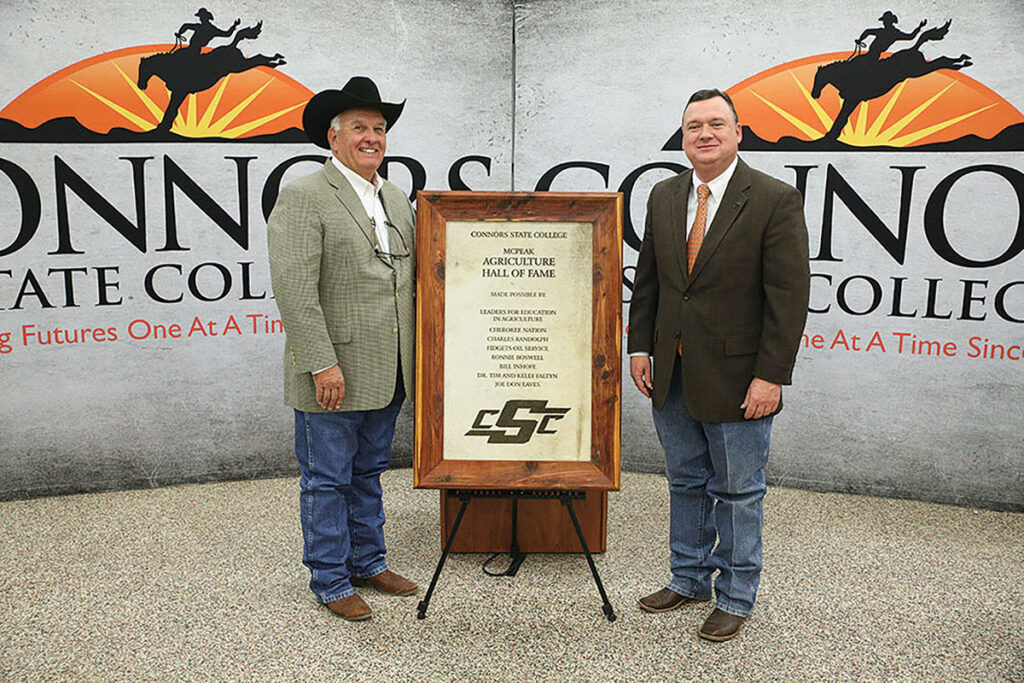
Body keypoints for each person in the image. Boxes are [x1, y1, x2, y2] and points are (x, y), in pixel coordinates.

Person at [628, 89, 809, 641]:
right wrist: (641, 347)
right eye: (692, 127)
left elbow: (788, 295)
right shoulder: (663, 195)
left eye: (715, 124)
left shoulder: (774, 199)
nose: (703, 134)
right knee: (685, 481)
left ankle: (735, 595)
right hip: (672, 372)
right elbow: (652, 283)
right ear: (683, 139)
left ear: (738, 133)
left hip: (739, 378)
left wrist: (771, 375)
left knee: (737, 491)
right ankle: (688, 578)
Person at [267, 76, 417, 621]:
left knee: (367, 472)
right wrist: (321, 362)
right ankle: (330, 580)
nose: (372, 136)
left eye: (379, 128)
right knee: (327, 479)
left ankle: (368, 561)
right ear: (333, 138)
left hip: (389, 369)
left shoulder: (397, 198)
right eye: (360, 127)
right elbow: (294, 287)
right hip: (334, 369)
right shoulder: (305, 196)